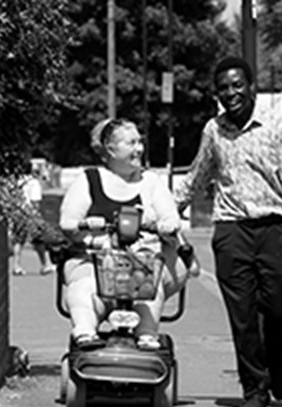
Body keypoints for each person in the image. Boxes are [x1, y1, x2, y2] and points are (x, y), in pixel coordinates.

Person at [174, 56, 282, 407]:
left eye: (237, 85)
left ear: (251, 87)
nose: (230, 93)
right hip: (232, 230)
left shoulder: (276, 126)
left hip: (273, 229)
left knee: (279, 309)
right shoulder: (214, 131)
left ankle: (276, 362)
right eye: (223, 88)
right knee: (243, 315)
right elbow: (197, 177)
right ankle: (254, 387)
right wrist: (165, 210)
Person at [59, 118, 194, 350]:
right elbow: (68, 223)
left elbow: (170, 217)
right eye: (131, 143)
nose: (139, 149)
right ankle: (84, 332)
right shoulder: (89, 180)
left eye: (139, 142)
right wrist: (90, 230)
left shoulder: (151, 182)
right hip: (95, 263)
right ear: (111, 149)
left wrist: (164, 225)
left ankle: (147, 335)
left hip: (141, 263)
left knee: (147, 283)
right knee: (83, 287)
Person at [12, 162, 55, 276]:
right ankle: (45, 265)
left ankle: (16, 266)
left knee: (18, 240)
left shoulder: (18, 182)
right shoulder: (34, 183)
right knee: (39, 241)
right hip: (30, 214)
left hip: (18, 213)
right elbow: (35, 201)